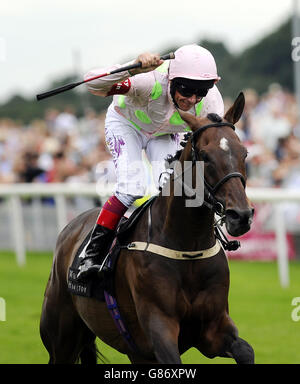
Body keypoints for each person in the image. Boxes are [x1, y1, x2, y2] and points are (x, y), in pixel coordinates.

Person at [77, 44, 224, 280]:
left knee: (187, 192)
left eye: (201, 92)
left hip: (166, 134)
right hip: (127, 125)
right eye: (186, 91)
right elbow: (91, 83)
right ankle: (91, 256)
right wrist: (131, 70)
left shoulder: (212, 103)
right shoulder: (148, 80)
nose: (192, 99)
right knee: (131, 188)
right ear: (173, 80)